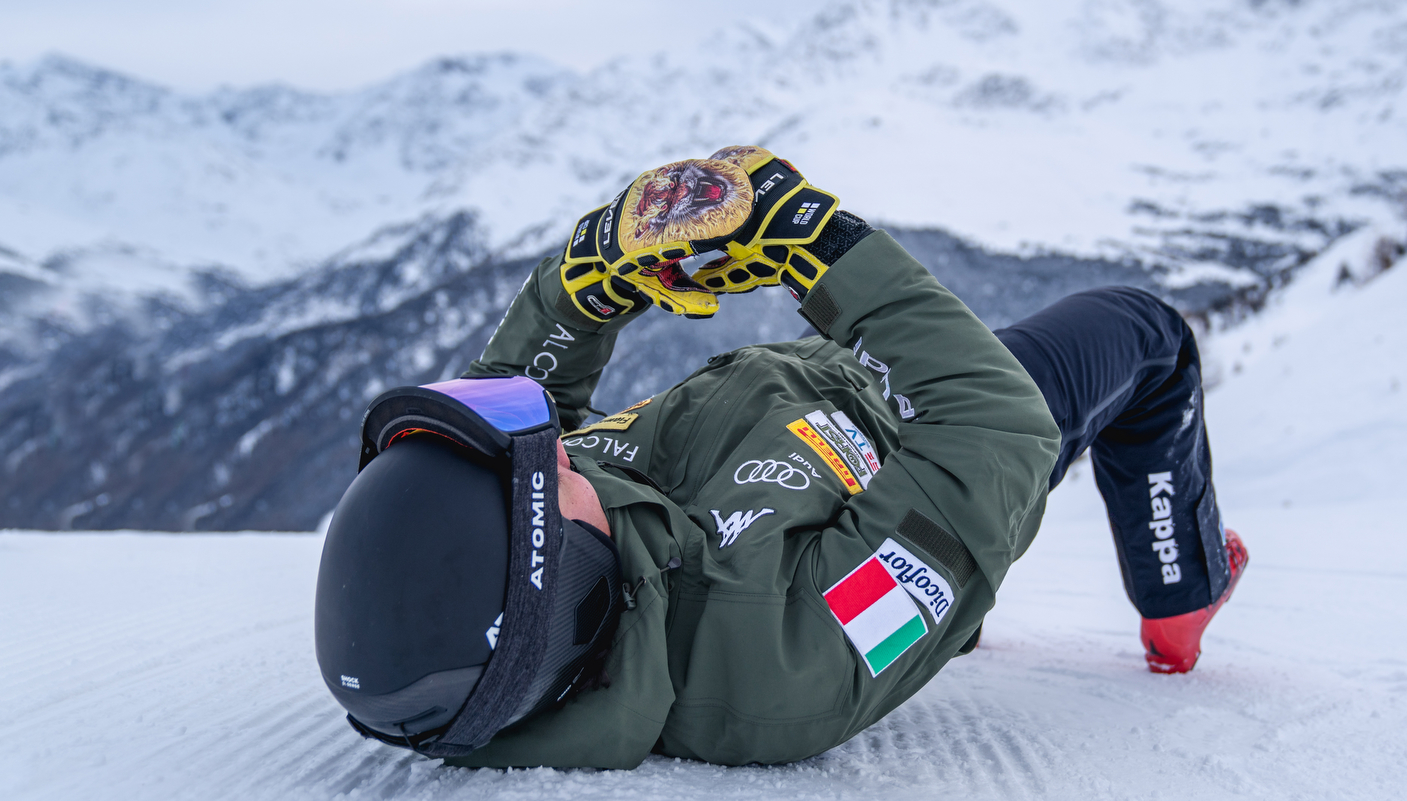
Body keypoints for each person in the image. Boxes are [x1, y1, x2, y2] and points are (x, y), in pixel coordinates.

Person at [314, 148, 1248, 769]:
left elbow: (513, 398)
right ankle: (1182, 593)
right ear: (572, 580)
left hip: (829, 384)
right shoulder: (780, 655)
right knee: (1149, 333)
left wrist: (583, 288)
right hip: (929, 420)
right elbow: (996, 427)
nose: (547, 443)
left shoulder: (546, 601)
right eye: (544, 473)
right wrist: (818, 250)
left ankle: (952, 612)